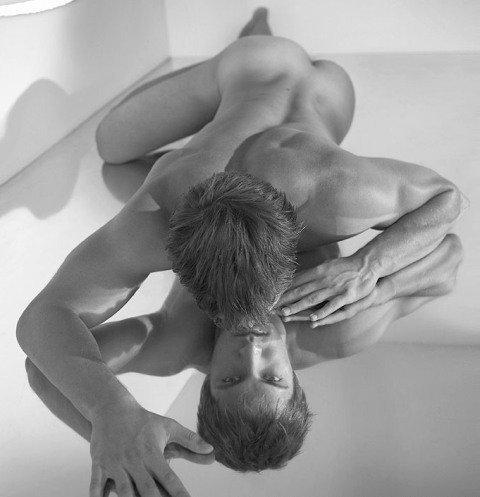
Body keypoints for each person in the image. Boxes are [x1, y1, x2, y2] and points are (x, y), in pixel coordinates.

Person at [17, 7, 466, 497]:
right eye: (273, 377)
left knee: (113, 148)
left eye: (230, 377)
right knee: (124, 144)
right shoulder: (334, 207)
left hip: (266, 86)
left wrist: (113, 420)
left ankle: (248, 48)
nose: (252, 349)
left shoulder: (174, 308)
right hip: (323, 91)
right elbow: (448, 247)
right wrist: (370, 273)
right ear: (296, 377)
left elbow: (44, 357)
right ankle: (251, 42)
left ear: (207, 376)